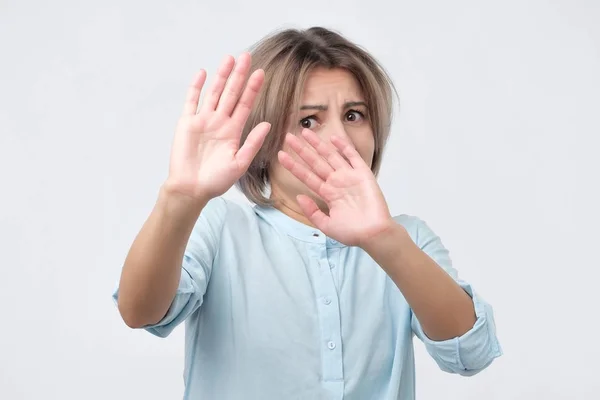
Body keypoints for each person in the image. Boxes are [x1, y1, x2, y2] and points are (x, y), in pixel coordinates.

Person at [113, 26, 502, 399]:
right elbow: (141, 312)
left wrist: (385, 241)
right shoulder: (222, 228)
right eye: (308, 120)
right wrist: (179, 198)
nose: (339, 137)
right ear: (260, 139)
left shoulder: (407, 238)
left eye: (354, 115)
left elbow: (471, 352)